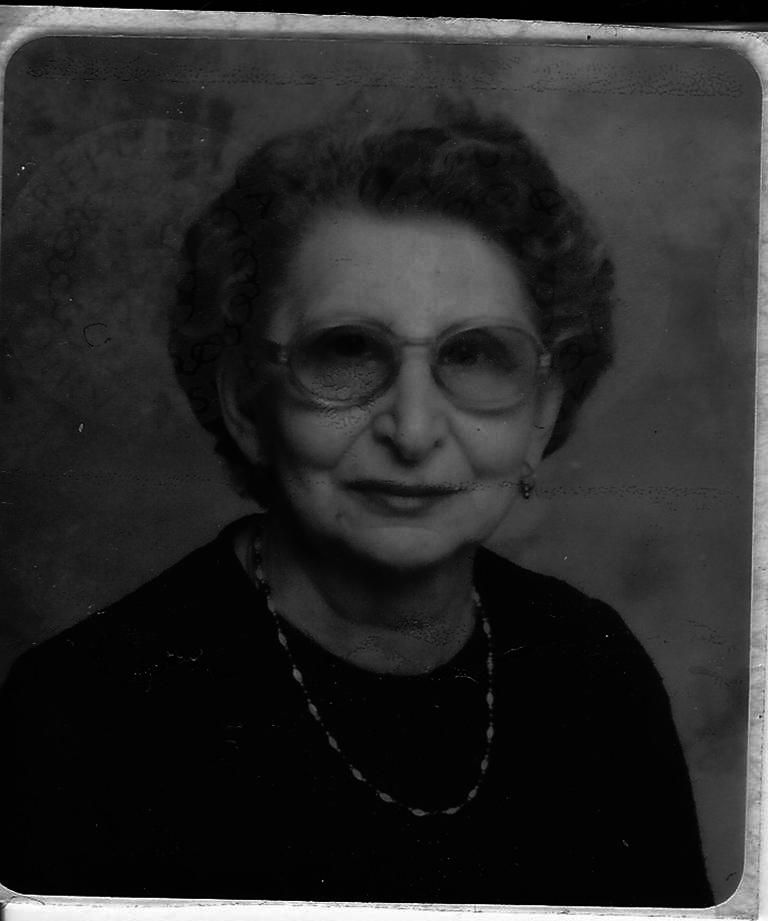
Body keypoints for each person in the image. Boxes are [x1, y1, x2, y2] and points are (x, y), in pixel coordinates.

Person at [0, 98, 713, 906]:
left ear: (541, 412)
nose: (412, 429)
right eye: (346, 350)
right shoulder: (83, 711)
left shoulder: (593, 671)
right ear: (246, 400)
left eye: (473, 354)